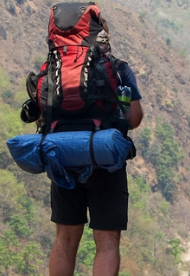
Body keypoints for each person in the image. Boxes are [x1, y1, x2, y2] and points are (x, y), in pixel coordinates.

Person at [47, 29, 144, 276]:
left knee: (65, 240)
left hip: (64, 161)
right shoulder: (118, 68)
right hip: (106, 162)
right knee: (107, 241)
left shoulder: (54, 68)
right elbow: (134, 118)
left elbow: (41, 113)